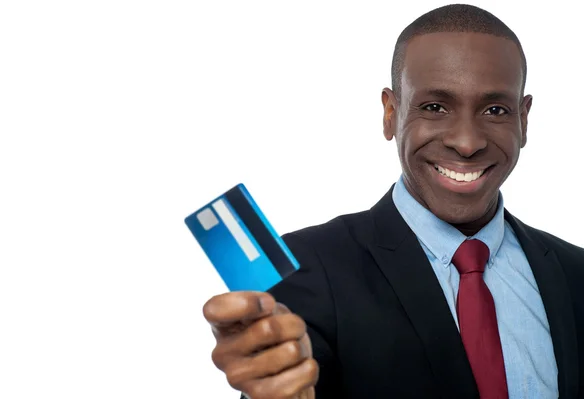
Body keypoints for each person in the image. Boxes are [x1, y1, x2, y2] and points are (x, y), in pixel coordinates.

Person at [202, 4, 584, 398]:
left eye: (495, 110)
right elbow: (287, 371)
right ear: (390, 112)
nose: (467, 142)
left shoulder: (577, 274)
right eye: (435, 107)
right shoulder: (305, 268)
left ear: (524, 120)